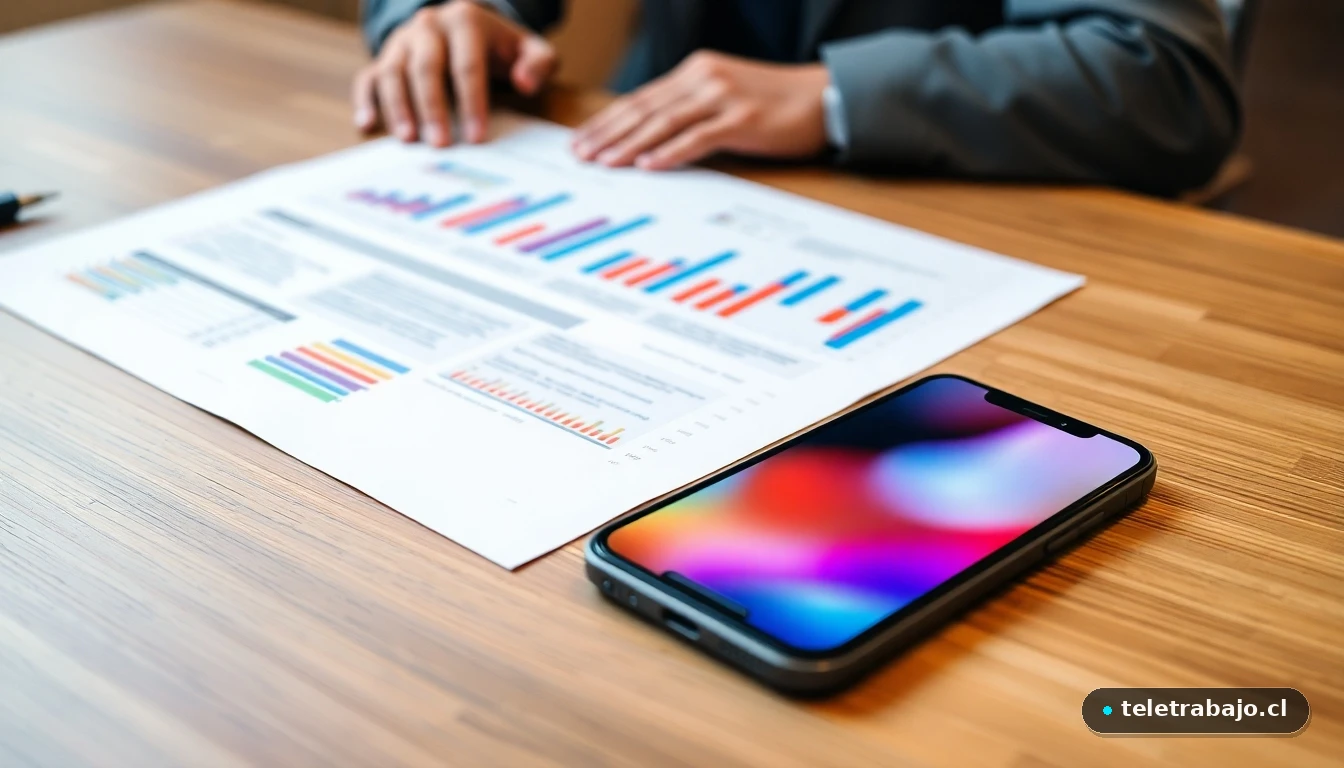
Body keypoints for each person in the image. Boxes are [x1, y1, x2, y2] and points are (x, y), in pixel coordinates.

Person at [355, 0, 1240, 195]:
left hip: (961, 207)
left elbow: (1164, 75)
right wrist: (438, 12)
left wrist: (833, 94)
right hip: (646, 164)